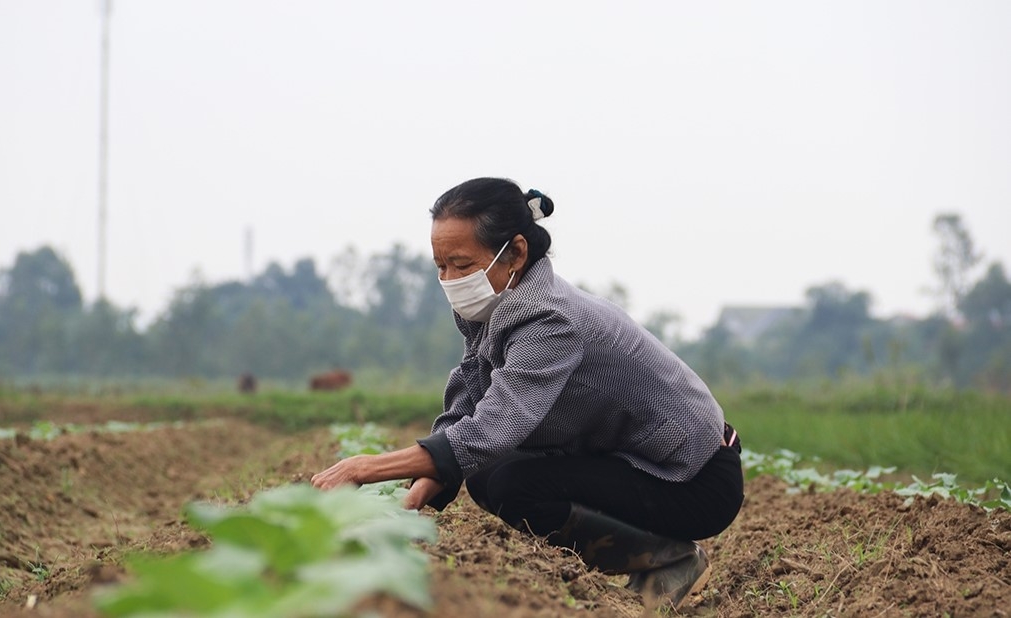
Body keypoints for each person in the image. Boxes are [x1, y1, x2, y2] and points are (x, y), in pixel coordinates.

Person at [311, 177, 744, 609]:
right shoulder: (497, 306)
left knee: (514, 485)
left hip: (693, 479)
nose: (449, 279)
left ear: (515, 252)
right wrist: (414, 496)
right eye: (440, 266)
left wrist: (364, 468)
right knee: (486, 474)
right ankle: (658, 557)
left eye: (461, 265)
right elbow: (468, 403)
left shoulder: (550, 320)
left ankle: (672, 561)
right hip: (634, 462)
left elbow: (489, 430)